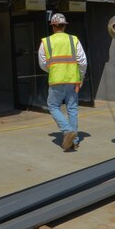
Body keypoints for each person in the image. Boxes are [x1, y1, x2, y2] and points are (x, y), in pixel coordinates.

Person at [38, 13, 88, 151]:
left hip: (56, 80)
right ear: (65, 26)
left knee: (53, 106)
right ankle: (75, 141)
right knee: (72, 108)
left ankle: (67, 131)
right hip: (73, 80)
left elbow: (42, 64)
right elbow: (82, 62)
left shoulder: (46, 42)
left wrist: (54, 70)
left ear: (53, 26)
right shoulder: (74, 40)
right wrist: (81, 77)